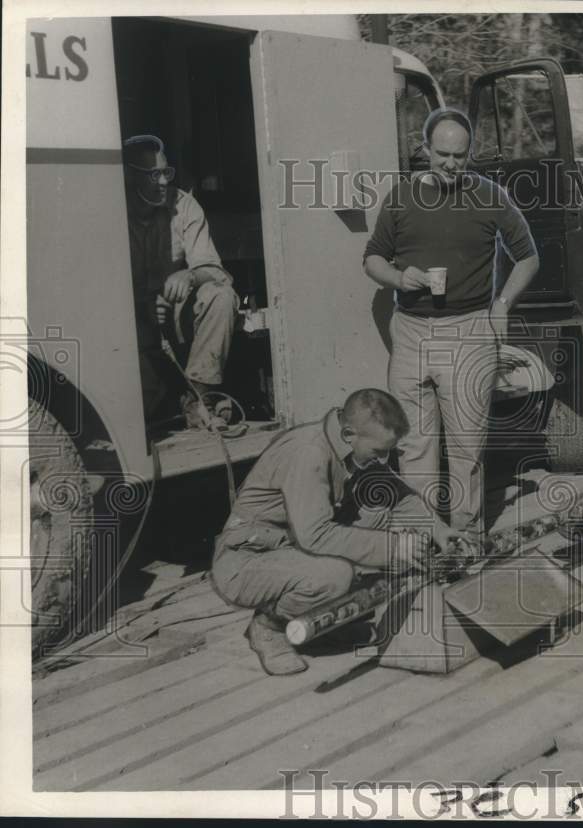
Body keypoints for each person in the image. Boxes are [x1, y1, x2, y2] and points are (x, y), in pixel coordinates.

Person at [363, 108, 540, 535]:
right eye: (442, 154)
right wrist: (398, 277)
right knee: (413, 445)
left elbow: (529, 257)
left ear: (470, 154)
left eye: (460, 155)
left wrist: (501, 305)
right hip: (411, 332)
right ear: (425, 150)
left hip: (469, 331)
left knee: (466, 448)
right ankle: (427, 538)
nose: (450, 164)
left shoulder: (489, 196)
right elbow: (371, 258)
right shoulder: (402, 198)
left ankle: (466, 538)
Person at [212, 388, 462, 676]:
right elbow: (316, 534)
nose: (384, 460)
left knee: (383, 521)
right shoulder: (308, 453)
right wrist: (395, 547)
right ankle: (268, 627)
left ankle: (318, 626)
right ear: (348, 435)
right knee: (334, 575)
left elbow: (395, 494)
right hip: (245, 560)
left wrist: (437, 529)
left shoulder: (354, 446)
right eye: (379, 452)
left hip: (288, 547)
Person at [122, 134, 239, 430]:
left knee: (221, 296)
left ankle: (202, 396)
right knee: (144, 413)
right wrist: (142, 305)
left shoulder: (184, 205)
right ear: (129, 176)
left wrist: (189, 274)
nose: (163, 181)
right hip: (128, 321)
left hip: (174, 314)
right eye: (153, 174)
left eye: (166, 172)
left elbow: (215, 270)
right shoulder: (110, 211)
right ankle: (182, 402)